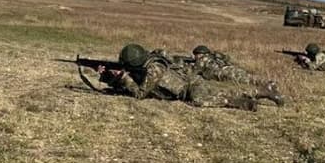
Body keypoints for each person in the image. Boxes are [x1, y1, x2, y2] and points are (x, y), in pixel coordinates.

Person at [100, 44, 283, 110]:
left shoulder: (154, 68)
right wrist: (108, 76)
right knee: (221, 94)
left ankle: (249, 100)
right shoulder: (146, 65)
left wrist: (124, 78)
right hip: (187, 87)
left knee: (203, 100)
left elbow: (140, 94)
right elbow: (131, 87)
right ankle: (261, 93)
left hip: (190, 86)